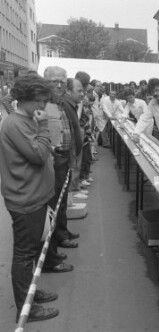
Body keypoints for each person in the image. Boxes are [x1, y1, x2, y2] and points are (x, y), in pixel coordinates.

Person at [0, 74, 60, 322]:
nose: (43, 106)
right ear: (25, 98)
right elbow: (37, 154)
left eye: (45, 101)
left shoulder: (25, 119)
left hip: (33, 196)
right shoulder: (15, 124)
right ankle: (27, 307)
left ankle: (30, 295)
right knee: (25, 254)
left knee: (33, 249)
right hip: (25, 200)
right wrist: (44, 128)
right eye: (40, 100)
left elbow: (39, 150)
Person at [44, 67, 79, 266]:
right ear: (45, 82)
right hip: (52, 162)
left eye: (62, 82)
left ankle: (59, 237)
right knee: (52, 206)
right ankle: (51, 256)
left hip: (63, 159)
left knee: (60, 202)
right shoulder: (44, 104)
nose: (59, 85)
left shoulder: (59, 103)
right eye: (54, 81)